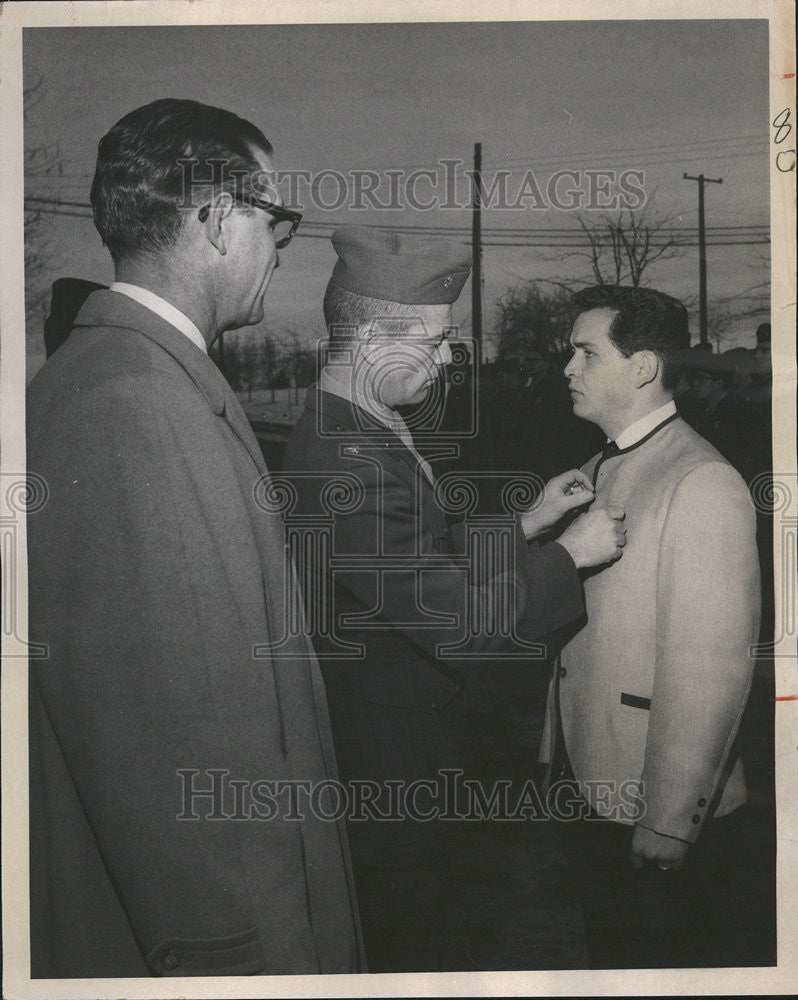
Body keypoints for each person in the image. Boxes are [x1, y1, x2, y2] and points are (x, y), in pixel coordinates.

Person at [27, 98, 363, 978]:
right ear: (217, 219)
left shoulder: (129, 377)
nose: (283, 242)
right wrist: (245, 964)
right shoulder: (134, 406)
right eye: (274, 219)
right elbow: (175, 745)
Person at [281, 226, 627, 971]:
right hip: (393, 768)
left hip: (400, 745)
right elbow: (458, 625)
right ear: (373, 336)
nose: (445, 363)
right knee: (419, 944)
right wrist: (570, 555)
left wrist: (526, 522)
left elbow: (412, 559)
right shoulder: (347, 456)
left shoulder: (364, 423)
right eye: (436, 343)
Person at [540, 284, 762, 968]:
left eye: (585, 352)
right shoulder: (593, 466)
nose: (568, 369)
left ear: (641, 367)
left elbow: (712, 667)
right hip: (594, 784)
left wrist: (671, 816)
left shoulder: (701, 482)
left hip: (651, 803)